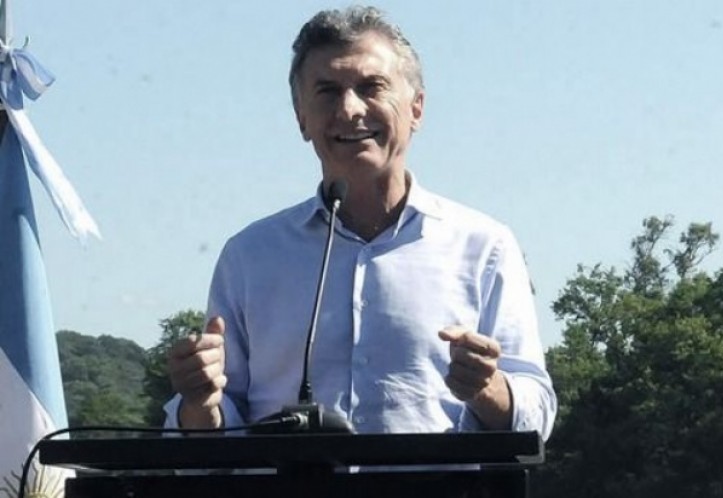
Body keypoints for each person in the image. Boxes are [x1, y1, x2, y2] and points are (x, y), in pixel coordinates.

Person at [164, 5, 556, 439]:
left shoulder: (484, 247)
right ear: (301, 117)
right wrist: (199, 403)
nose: (350, 109)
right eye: (327, 92)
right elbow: (214, 432)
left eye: (372, 87)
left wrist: (488, 388)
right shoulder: (250, 256)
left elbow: (536, 414)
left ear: (417, 109)